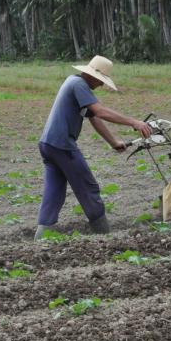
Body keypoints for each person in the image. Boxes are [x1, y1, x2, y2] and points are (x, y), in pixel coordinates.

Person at [35, 55, 152, 240]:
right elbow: (101, 111)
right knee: (89, 188)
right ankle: (105, 237)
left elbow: (93, 117)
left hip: (48, 144)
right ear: (93, 76)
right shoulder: (79, 84)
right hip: (63, 145)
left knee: (54, 192)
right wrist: (134, 122)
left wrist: (113, 142)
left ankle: (40, 239)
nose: (103, 85)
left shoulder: (72, 82)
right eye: (102, 81)